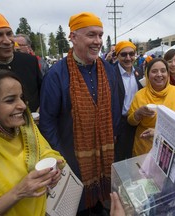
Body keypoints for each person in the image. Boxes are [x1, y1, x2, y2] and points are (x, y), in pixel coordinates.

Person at [39, 12, 120, 215]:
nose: (98, 41)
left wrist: (112, 138)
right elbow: (47, 122)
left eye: (100, 35)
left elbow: (115, 110)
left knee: (102, 206)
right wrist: (61, 158)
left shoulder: (109, 70)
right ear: (73, 37)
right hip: (72, 159)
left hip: (104, 157)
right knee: (79, 208)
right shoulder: (56, 75)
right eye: (92, 35)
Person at [0, 68, 65, 215]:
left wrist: (53, 169)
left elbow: (46, 152)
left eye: (21, 97)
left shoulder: (23, 130)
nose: (22, 105)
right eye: (10, 100)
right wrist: (18, 193)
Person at [127, 58, 175, 156]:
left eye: (163, 71)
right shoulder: (140, 95)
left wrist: (159, 132)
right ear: (147, 75)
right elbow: (131, 121)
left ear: (168, 74)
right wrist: (138, 113)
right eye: (154, 71)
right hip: (143, 148)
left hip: (169, 149)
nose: (159, 74)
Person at [114, 40, 143, 162]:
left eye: (131, 54)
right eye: (124, 54)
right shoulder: (111, 73)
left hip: (137, 121)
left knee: (134, 156)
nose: (128, 58)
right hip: (120, 123)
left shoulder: (139, 72)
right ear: (117, 56)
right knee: (120, 158)